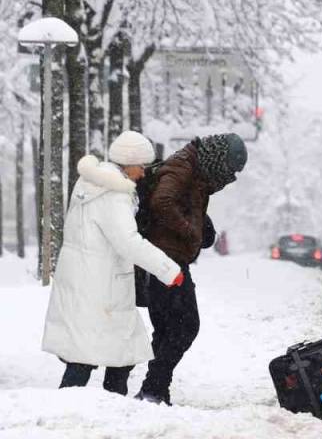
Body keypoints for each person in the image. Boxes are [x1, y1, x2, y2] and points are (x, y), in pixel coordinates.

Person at [42, 132, 184, 395]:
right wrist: (169, 270)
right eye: (141, 167)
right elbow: (128, 242)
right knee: (90, 357)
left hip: (86, 280)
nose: (143, 173)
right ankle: (83, 409)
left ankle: (107, 406)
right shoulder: (114, 194)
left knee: (111, 352)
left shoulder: (90, 183)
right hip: (100, 286)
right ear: (128, 163)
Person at [138, 133, 247, 404]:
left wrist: (201, 225)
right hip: (165, 260)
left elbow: (181, 201)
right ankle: (153, 387)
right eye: (228, 170)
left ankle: (155, 390)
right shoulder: (182, 167)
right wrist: (191, 232)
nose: (228, 178)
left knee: (167, 329)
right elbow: (162, 201)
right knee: (186, 326)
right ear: (218, 159)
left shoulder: (194, 168)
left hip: (168, 258)